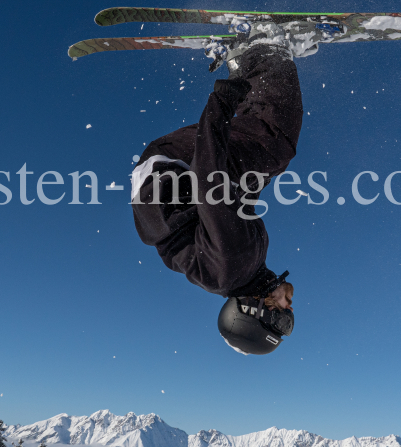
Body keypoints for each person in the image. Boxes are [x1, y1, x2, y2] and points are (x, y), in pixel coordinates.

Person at [130, 21, 321, 354]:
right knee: (259, 166)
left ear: (252, 309)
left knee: (276, 143)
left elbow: (210, 180)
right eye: (288, 324)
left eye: (281, 320)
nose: (289, 310)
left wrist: (220, 104)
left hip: (175, 168)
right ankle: (248, 66)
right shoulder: (234, 272)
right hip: (165, 178)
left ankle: (262, 50)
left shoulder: (235, 261)